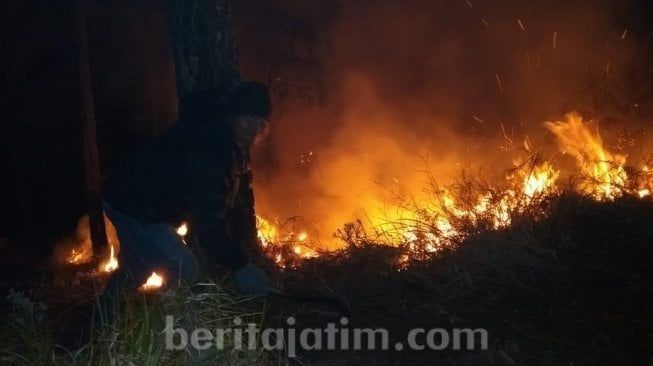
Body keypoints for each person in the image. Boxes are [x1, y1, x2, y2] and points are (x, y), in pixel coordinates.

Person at [100, 81, 273, 305]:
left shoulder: (224, 139)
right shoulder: (214, 147)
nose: (254, 129)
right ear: (236, 115)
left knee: (136, 266)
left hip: (131, 197)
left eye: (261, 124)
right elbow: (208, 221)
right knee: (184, 269)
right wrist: (241, 266)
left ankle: (95, 326)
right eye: (249, 119)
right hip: (135, 204)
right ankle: (165, 331)